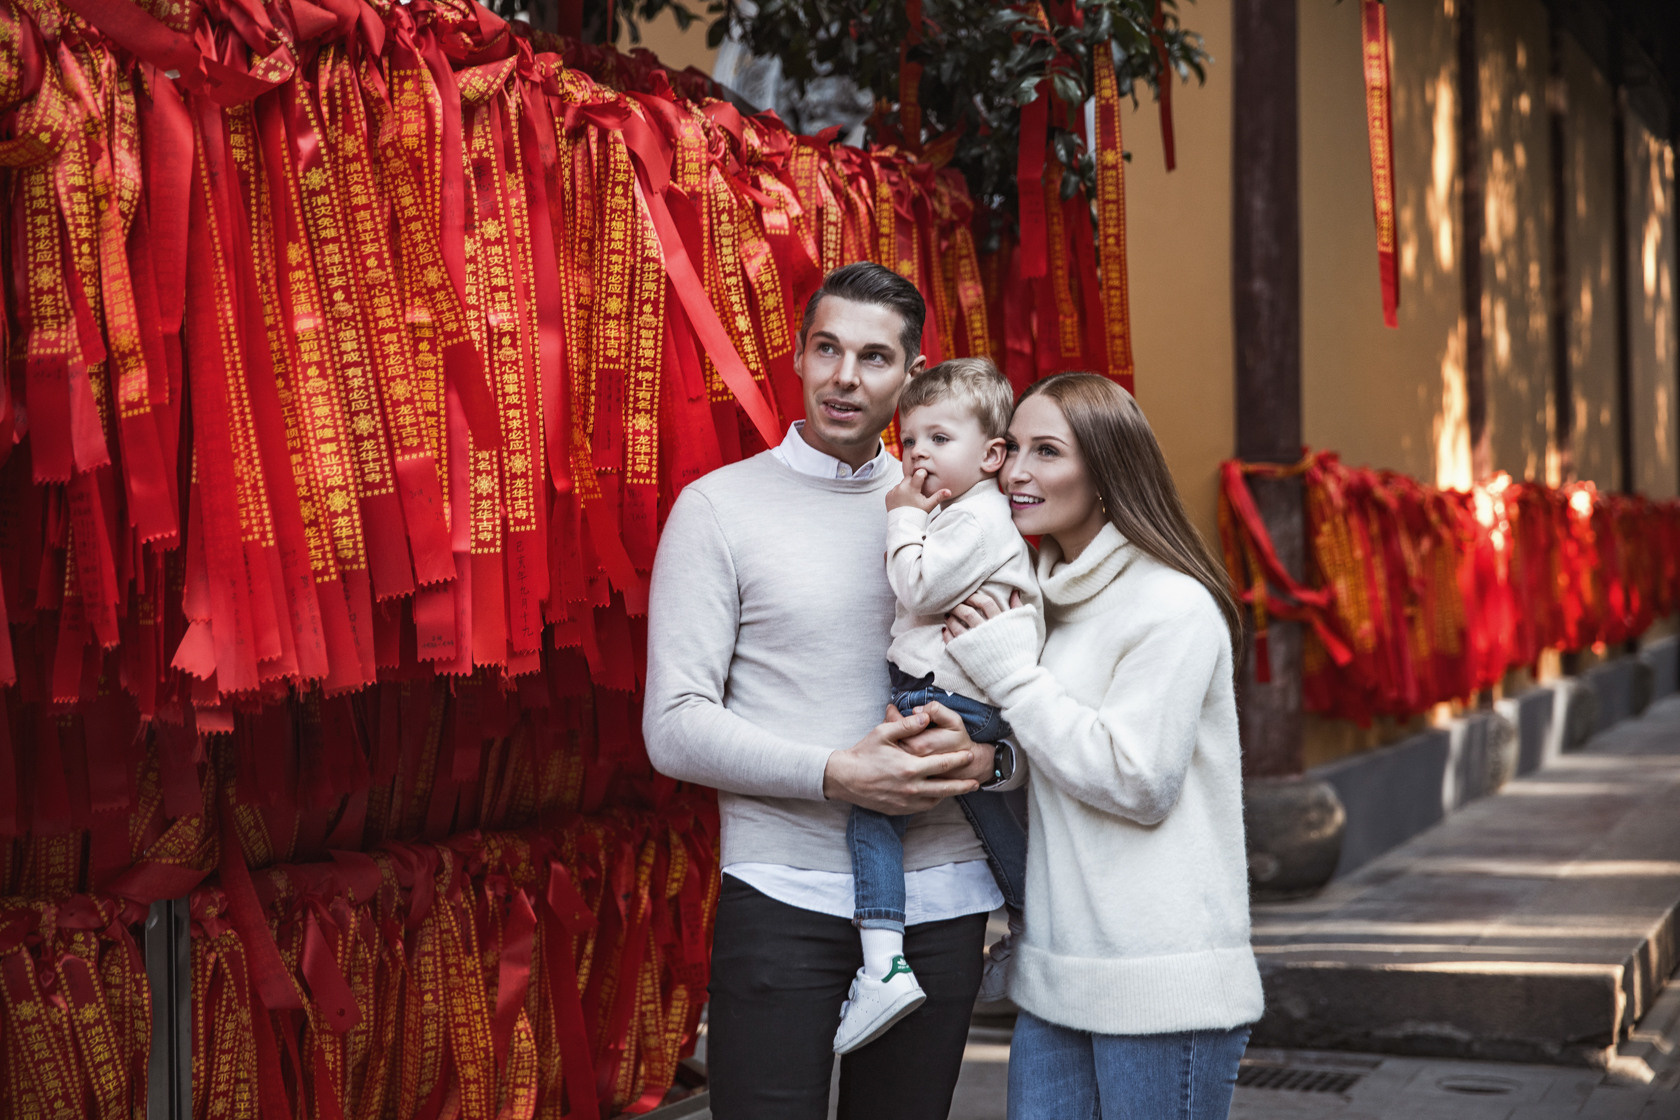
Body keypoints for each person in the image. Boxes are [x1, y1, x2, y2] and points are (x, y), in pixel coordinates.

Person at [643, 262, 1014, 1120]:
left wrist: (994, 762)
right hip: (783, 890)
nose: (847, 377)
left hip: (943, 895)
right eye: (828, 350)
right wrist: (834, 775)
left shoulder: (973, 513)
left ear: (913, 374)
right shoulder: (719, 509)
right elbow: (674, 724)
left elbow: (1039, 706)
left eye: (875, 357)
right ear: (800, 358)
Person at [941, 373, 1263, 1120]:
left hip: (1161, 987)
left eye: (1046, 451)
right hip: (1058, 977)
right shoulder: (1044, 599)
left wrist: (1013, 677)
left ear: (1109, 470)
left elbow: (1137, 779)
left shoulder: (1171, 605)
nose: (1015, 471)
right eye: (1012, 446)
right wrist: (1001, 763)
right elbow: (1067, 752)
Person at [836, 357, 1041, 1055]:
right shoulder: (965, 513)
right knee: (986, 810)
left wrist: (901, 519)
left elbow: (918, 588)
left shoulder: (973, 520)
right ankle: (1032, 921)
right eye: (911, 438)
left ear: (989, 456)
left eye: (939, 439)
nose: (918, 455)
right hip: (961, 691)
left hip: (945, 691)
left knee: (875, 800)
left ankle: (883, 959)